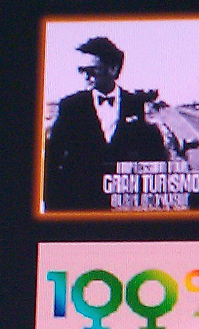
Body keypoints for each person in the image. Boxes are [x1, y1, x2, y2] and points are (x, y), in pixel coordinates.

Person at [44, 37, 168, 211]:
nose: (86, 77)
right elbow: (52, 158)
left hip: (122, 205)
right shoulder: (70, 106)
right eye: (81, 70)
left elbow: (150, 156)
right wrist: (54, 205)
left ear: (113, 69)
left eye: (92, 71)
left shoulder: (135, 104)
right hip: (80, 204)